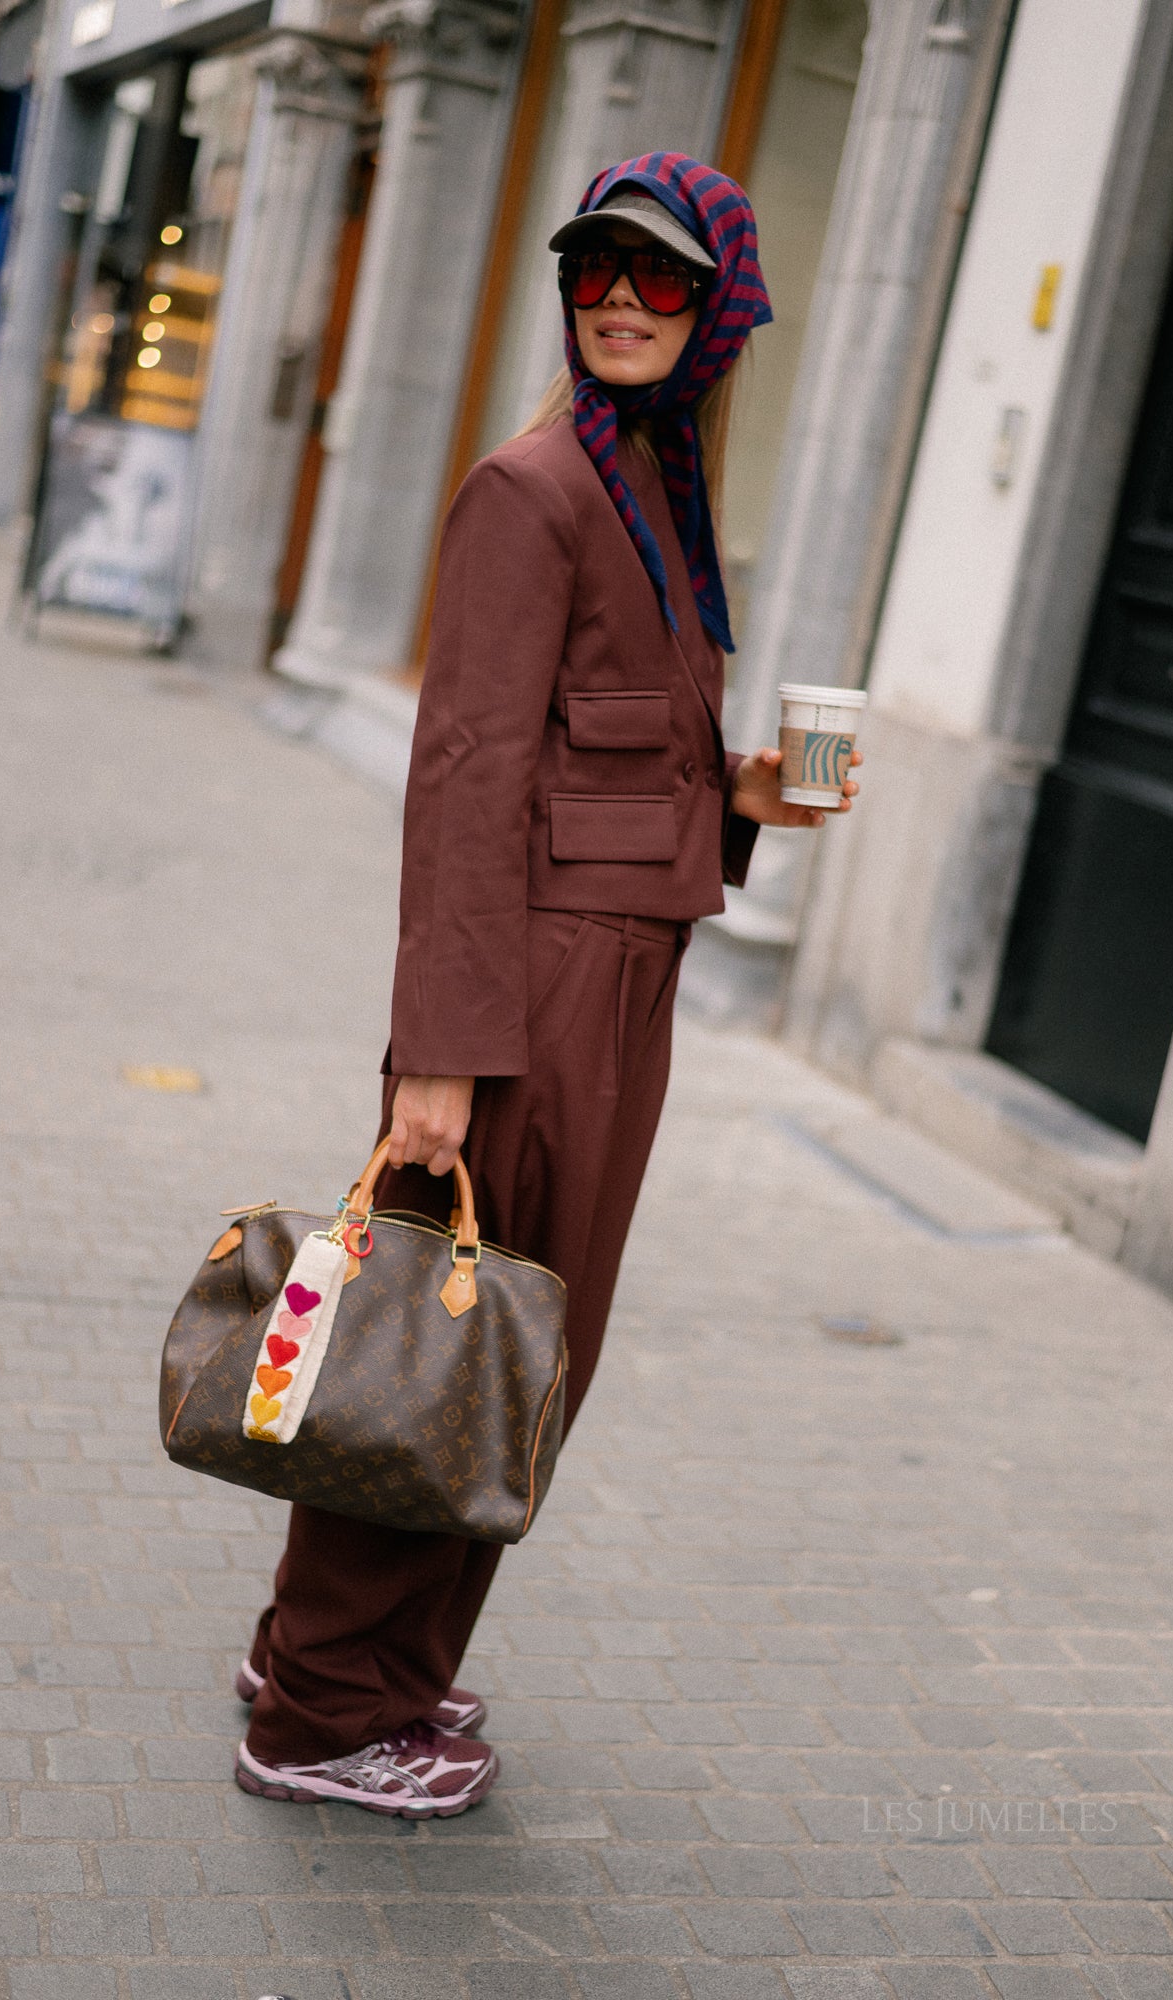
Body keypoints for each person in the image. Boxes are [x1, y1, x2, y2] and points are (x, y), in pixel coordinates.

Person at [233, 151, 861, 1816]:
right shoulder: (537, 488)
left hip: (610, 978)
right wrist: (438, 1060)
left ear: (718, 307)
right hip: (528, 994)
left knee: (505, 1344)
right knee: (456, 1346)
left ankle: (354, 1658)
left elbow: (603, 747)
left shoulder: (647, 481)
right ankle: (318, 1715)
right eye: (594, 268)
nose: (619, 301)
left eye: (660, 279)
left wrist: (734, 792)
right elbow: (463, 780)